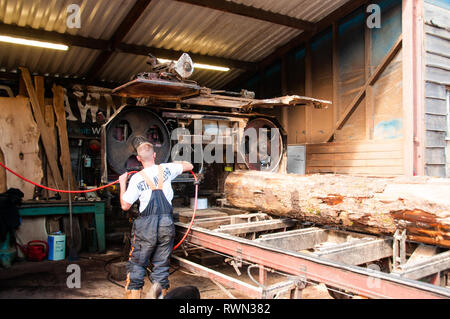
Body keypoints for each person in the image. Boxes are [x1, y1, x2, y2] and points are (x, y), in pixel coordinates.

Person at [119, 141, 193, 299]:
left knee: (137, 265)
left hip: (146, 227)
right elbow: (189, 165)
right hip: (166, 224)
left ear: (138, 158)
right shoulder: (167, 169)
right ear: (154, 155)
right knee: (161, 267)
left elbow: (125, 205)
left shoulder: (137, 178)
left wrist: (122, 183)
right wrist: (173, 165)